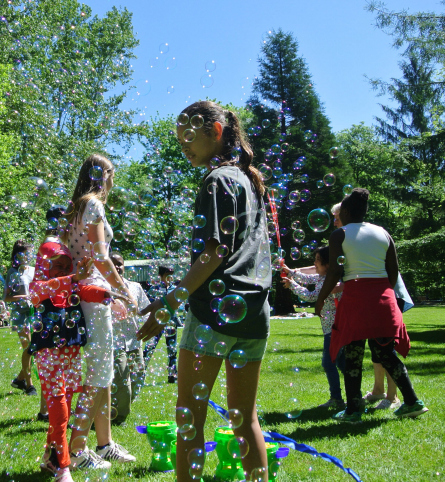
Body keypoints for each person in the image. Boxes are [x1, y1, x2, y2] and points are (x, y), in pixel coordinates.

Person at [138, 101, 272, 481]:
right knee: (245, 418)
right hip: (254, 313)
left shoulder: (217, 180)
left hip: (215, 310)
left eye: (188, 137)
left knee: (190, 417)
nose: (184, 147)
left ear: (215, 131)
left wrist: (170, 301)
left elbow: (214, 252)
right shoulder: (249, 180)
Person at [315, 187, 429, 422]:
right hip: (383, 299)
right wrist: (383, 294)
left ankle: (353, 410)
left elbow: (334, 272)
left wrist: (320, 298)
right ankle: (412, 402)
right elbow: (393, 271)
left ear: (346, 212)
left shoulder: (339, 235)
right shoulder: (383, 233)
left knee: (353, 354)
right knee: (386, 354)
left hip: (356, 300)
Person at [63, 154, 137, 469]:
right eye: (111, 173)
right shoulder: (93, 204)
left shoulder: (76, 206)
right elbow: (101, 258)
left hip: (84, 294)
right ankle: (77, 450)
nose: (112, 180)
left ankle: (105, 444)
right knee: (98, 373)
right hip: (94, 296)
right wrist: (124, 291)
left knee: (103, 372)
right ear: (102, 174)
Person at [29, 239, 113, 482]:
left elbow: (84, 291)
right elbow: (46, 289)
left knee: (64, 405)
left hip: (71, 353)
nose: (64, 271)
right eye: (58, 265)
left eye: (68, 266)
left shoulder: (70, 285)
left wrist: (106, 294)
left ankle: (50, 457)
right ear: (44, 266)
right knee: (60, 410)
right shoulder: (38, 287)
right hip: (50, 355)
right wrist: (73, 277)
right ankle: (63, 467)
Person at [283, 246, 345, 409]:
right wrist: (290, 272)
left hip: (335, 329)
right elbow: (307, 278)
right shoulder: (322, 277)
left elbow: (311, 296)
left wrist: (292, 285)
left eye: (318, 260)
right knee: (342, 363)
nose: (314, 263)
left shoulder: (330, 282)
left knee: (329, 363)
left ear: (328, 264)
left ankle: (337, 398)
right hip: (333, 328)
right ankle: (354, 396)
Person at [364, 273, 415, 410]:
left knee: (385, 347)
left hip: (387, 297)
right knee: (374, 344)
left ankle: (393, 397)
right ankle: (378, 390)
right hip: (375, 296)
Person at [109, 253, 149, 425]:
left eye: (120, 263)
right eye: (112, 263)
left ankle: (116, 408)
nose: (117, 267)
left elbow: (144, 310)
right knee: (122, 380)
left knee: (138, 377)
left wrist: (149, 325)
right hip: (115, 342)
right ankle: (119, 418)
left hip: (134, 340)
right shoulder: (104, 289)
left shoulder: (135, 287)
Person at [6, 240, 39, 397]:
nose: (28, 256)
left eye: (29, 253)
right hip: (20, 314)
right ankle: (29, 385)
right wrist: (23, 297)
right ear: (17, 255)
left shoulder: (34, 270)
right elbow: (6, 297)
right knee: (29, 348)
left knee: (35, 349)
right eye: (25, 253)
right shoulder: (12, 272)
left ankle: (19, 380)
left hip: (35, 313)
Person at [142, 265, 180, 383]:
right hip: (157, 323)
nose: (170, 277)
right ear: (161, 276)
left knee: (172, 349)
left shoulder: (175, 289)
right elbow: (150, 304)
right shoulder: (155, 289)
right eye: (167, 275)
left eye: (172, 275)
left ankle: (172, 375)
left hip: (171, 323)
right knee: (150, 347)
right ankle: (141, 372)